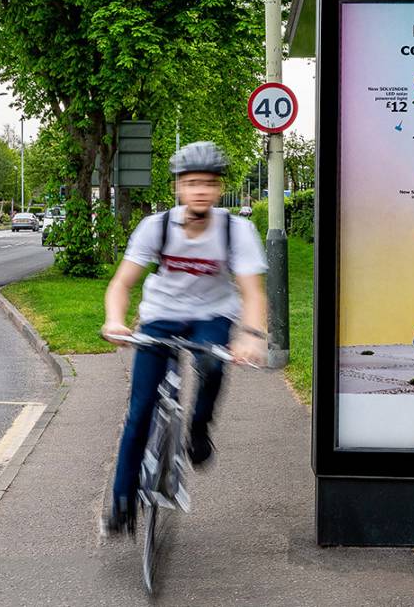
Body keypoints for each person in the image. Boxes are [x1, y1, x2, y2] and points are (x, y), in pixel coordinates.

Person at [101, 141, 268, 535]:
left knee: (212, 361)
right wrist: (114, 320)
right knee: (140, 409)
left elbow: (253, 293)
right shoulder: (156, 227)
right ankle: (122, 501)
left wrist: (252, 335)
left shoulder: (235, 230)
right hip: (160, 317)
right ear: (179, 187)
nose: (200, 191)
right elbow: (122, 283)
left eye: (209, 184)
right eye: (192, 183)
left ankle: (198, 427)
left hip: (211, 315)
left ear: (219, 188)